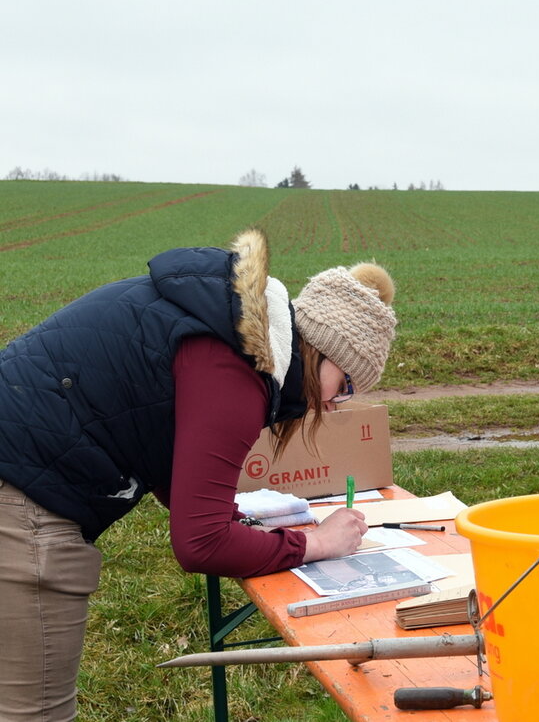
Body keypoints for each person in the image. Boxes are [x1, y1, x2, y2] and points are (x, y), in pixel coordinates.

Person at [0, 229, 398, 721]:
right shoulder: (235, 369)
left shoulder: (218, 323)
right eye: (347, 385)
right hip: (21, 498)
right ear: (325, 351)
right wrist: (316, 543)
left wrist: (235, 518)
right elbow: (200, 544)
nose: (335, 404)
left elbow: (158, 440)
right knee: (35, 710)